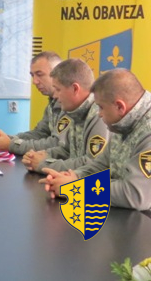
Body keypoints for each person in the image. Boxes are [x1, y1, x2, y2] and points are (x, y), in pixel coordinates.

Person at [41, 69, 151, 210]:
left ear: (119, 106)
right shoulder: (124, 121)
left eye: (101, 107)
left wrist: (74, 188)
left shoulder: (147, 129)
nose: (99, 114)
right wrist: (73, 177)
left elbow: (135, 195)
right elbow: (101, 166)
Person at [21, 59, 109, 173]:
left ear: (75, 89)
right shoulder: (74, 110)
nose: (55, 96)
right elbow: (67, 150)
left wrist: (44, 164)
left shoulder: (99, 115)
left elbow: (93, 164)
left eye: (58, 89)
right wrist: (43, 155)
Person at [0, 51, 63, 155]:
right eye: (33, 75)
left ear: (58, 74)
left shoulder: (69, 104)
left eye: (39, 74)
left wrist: (11, 144)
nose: (34, 81)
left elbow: (57, 144)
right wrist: (9, 139)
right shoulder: (52, 102)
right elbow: (40, 133)